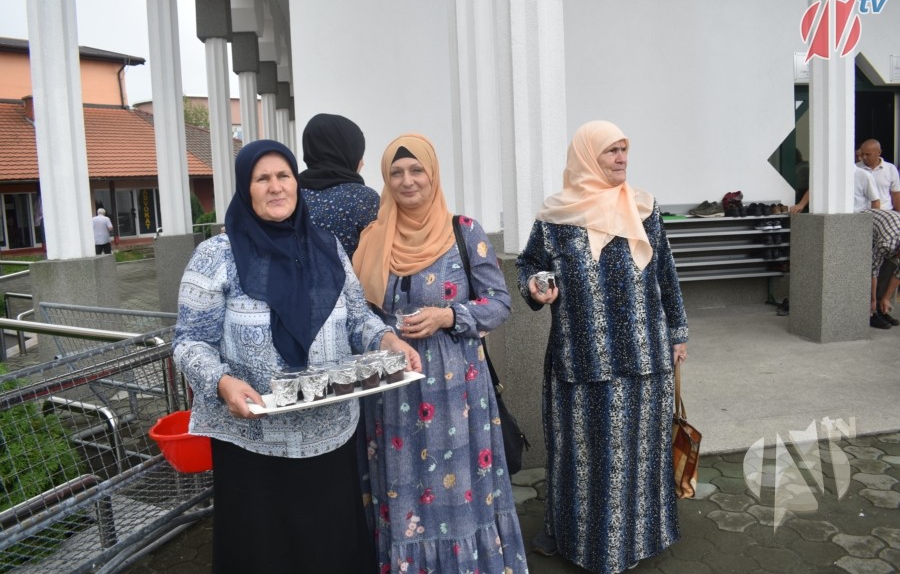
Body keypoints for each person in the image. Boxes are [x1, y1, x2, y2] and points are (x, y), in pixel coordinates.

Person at [173, 139, 421, 573]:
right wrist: (221, 382)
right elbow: (189, 341)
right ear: (245, 188)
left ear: (296, 183)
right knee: (264, 551)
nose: (275, 187)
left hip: (329, 434)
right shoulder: (217, 256)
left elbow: (357, 318)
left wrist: (387, 340)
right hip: (253, 442)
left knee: (327, 547)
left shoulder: (326, 247)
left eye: (283, 176)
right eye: (262, 178)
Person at [516, 121, 689, 574]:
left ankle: (638, 540)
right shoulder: (556, 217)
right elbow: (529, 264)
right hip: (582, 359)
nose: (621, 158)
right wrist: (534, 286)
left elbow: (665, 274)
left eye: (624, 149)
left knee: (640, 457)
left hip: (644, 356)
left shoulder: (644, 208)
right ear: (587, 157)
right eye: (611, 151)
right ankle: (577, 539)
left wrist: (678, 333)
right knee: (583, 459)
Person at [352, 133, 528, 573]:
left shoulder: (463, 232)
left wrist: (448, 316)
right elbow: (356, 314)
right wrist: (385, 335)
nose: (407, 180)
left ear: (433, 175)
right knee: (403, 484)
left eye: (417, 170)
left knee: (458, 486)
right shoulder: (372, 238)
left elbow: (499, 303)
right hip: (392, 389)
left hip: (456, 392)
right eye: (396, 172)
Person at [298, 113, 380, 259]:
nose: (362, 162)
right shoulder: (364, 199)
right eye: (359, 153)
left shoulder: (289, 194)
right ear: (346, 153)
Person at [865, 208, 900, 329]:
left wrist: (886, 297)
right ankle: (871, 312)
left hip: (886, 229)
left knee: (893, 265)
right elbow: (873, 271)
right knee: (871, 268)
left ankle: (882, 307)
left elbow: (898, 274)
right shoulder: (886, 242)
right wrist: (873, 299)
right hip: (863, 227)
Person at [857, 139, 900, 211]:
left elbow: (896, 194)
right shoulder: (856, 169)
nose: (864, 157)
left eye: (868, 154)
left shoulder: (890, 168)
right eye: (862, 154)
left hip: (885, 211)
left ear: (879, 152)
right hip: (861, 212)